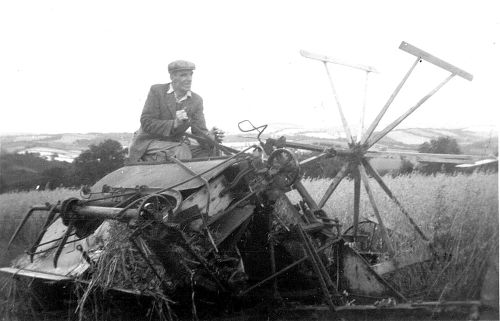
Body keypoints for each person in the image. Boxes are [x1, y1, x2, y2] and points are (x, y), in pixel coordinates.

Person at [128, 60, 221, 162]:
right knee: (181, 150)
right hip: (148, 142)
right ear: (172, 77)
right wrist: (174, 124)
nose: (189, 79)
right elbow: (146, 122)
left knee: (210, 151)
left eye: (191, 75)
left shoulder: (196, 100)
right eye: (183, 75)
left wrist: (210, 136)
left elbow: (199, 131)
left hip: (175, 143)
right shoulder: (157, 91)